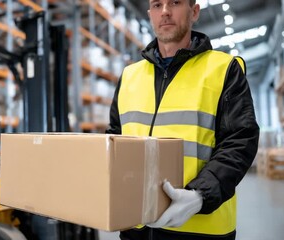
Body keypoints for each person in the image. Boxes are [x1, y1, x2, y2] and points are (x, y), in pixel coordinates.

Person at [105, 0, 260, 239]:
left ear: (194, 11)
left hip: (200, 228)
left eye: (175, 3)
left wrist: (200, 195)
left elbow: (240, 141)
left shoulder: (223, 69)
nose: (165, 11)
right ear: (150, 14)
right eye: (157, 5)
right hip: (136, 226)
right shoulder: (129, 76)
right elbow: (113, 140)